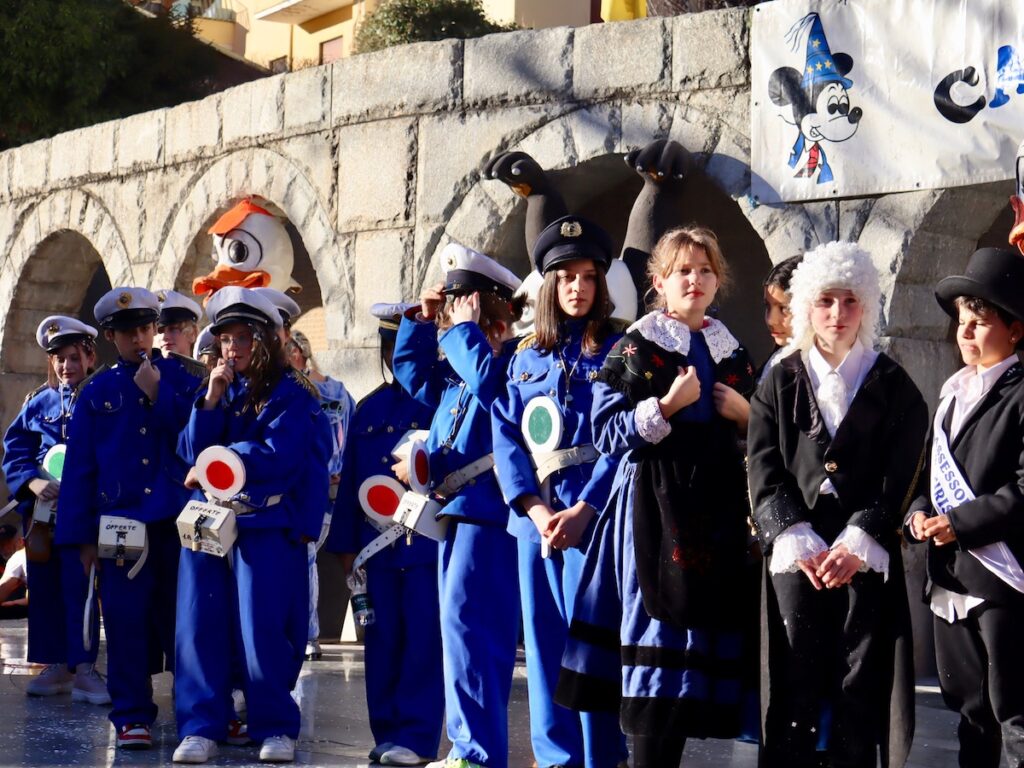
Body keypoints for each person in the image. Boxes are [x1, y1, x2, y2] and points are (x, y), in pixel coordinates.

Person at [558, 226, 756, 768]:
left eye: (705, 270)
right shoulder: (636, 345)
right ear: (660, 282)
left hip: (713, 509)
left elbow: (766, 429)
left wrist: (745, 415)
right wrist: (666, 407)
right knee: (655, 644)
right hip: (653, 507)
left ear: (719, 281)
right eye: (682, 271)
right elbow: (604, 431)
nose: (695, 280)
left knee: (692, 667)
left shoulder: (729, 348)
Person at [747, 241, 928, 768]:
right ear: (806, 306)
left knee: (859, 681)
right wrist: (794, 534)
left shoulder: (895, 385)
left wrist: (859, 539)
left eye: (850, 301)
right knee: (792, 676)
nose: (838, 314)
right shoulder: (780, 379)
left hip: (862, 549)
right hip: (796, 545)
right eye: (826, 301)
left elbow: (903, 470)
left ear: (866, 307)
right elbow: (762, 465)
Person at [491, 217, 628, 768]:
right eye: (565, 277)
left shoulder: (621, 349)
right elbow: (506, 437)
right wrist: (535, 508)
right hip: (536, 523)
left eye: (588, 277)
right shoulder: (526, 356)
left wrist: (585, 509)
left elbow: (623, 440)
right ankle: (556, 760)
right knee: (544, 649)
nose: (577, 288)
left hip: (595, 519)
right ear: (548, 285)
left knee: (592, 647)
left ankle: (603, 757)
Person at [172, 286, 328, 764]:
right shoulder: (216, 387)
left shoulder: (292, 391)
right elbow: (186, 449)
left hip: (264, 524)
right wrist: (211, 402)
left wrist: (218, 460)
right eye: (225, 340)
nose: (232, 350)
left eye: (243, 339)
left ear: (265, 340)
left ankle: (276, 725)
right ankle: (201, 725)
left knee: (263, 633)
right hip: (209, 524)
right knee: (199, 627)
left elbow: (280, 454)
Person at [393, 243, 524, 768]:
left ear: (487, 306)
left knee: (475, 631)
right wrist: (417, 322)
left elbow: (496, 391)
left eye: (460, 300)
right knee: (458, 631)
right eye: (450, 301)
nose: (451, 310)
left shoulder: (513, 359)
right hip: (455, 512)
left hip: (488, 515)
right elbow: (414, 374)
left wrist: (465, 332)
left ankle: (477, 751)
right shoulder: (460, 367)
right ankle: (467, 747)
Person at [55, 287, 203, 750]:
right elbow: (80, 468)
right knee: (124, 621)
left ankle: (198, 713)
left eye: (144, 329)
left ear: (155, 330)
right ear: (110, 337)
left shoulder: (182, 379)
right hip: (119, 525)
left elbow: (198, 440)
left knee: (186, 621)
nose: (138, 339)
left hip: (175, 521)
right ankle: (132, 714)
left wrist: (159, 395)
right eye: (127, 332)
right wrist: (79, 539)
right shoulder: (97, 390)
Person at [905, 247, 1024, 768]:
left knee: (1015, 714)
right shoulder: (952, 393)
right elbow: (926, 475)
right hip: (950, 577)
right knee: (969, 713)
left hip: (1003, 581)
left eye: (980, 322)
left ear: (1015, 331)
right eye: (961, 322)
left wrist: (956, 523)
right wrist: (917, 515)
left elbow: (1022, 491)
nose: (966, 333)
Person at [325, 302, 443, 767]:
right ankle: (387, 731)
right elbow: (353, 480)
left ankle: (416, 738)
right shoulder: (370, 407)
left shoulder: (437, 401)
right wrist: (347, 550)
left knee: (420, 643)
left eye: (405, 344)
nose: (397, 355)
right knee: (381, 642)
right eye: (389, 345)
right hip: (376, 552)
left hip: (423, 544)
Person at [1, 316, 108, 703]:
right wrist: (32, 482)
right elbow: (15, 451)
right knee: (44, 587)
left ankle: (84, 668)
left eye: (74, 357)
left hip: (86, 513)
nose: (66, 366)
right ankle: (56, 664)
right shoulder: (37, 402)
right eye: (59, 359)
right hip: (43, 517)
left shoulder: (104, 398)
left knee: (80, 588)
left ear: (90, 356)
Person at [285, 329, 354, 661]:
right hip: (293, 485)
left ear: (300, 352)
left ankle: (309, 635)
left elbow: (349, 434)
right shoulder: (287, 389)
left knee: (308, 556)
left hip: (326, 488)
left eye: (287, 349)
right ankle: (302, 632)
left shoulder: (335, 392)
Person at [759, 254, 803, 381]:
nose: (771, 320)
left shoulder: (812, 370)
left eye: (784, 308)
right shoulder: (776, 359)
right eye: (767, 306)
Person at [155, 289, 203, 358]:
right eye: (160, 331)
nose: (165, 337)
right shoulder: (145, 368)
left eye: (173, 329)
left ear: (193, 334)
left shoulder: (207, 368)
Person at [0, 524, 28, 619]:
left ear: (20, 541)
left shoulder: (18, 557)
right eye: (0, 544)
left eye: (7, 543)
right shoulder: (37, 552)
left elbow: (2, 590)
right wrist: (15, 602)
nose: (3, 548)